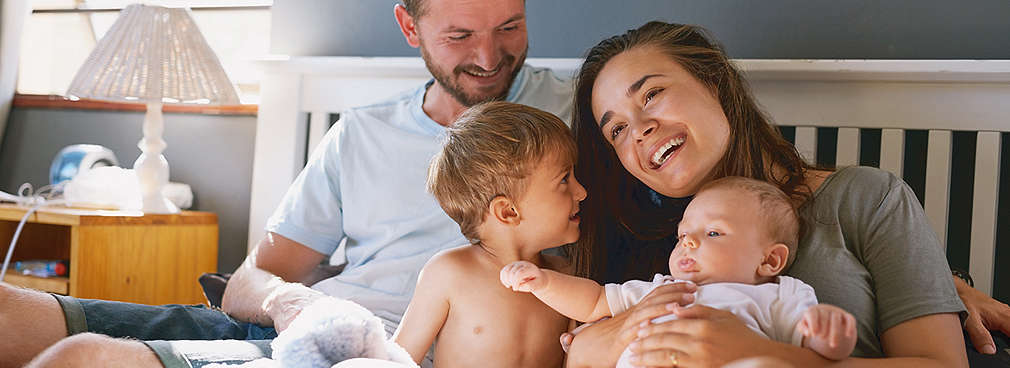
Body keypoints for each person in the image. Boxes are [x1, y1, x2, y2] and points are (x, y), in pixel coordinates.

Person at [0, 1, 572, 367]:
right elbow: (253, 278)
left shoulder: (581, 118)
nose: (489, 56)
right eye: (458, 35)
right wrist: (293, 304)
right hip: (303, 321)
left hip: (376, 350)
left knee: (88, 361)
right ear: (408, 26)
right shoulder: (361, 134)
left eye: (510, 26)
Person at [562, 21, 977, 367]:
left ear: (716, 84)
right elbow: (575, 356)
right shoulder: (634, 235)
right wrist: (629, 323)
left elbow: (940, 363)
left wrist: (761, 353)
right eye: (616, 129)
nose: (639, 129)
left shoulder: (866, 199)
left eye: (652, 94)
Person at [501, 176, 858, 366]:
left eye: (713, 233)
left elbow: (816, 352)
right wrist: (544, 282)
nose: (688, 242)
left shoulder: (780, 294)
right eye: (682, 235)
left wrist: (830, 332)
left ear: (770, 261)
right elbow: (594, 301)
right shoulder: (661, 289)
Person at [390, 101, 584, 367]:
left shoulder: (566, 277)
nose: (582, 192)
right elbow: (397, 359)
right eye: (564, 179)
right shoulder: (450, 272)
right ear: (508, 212)